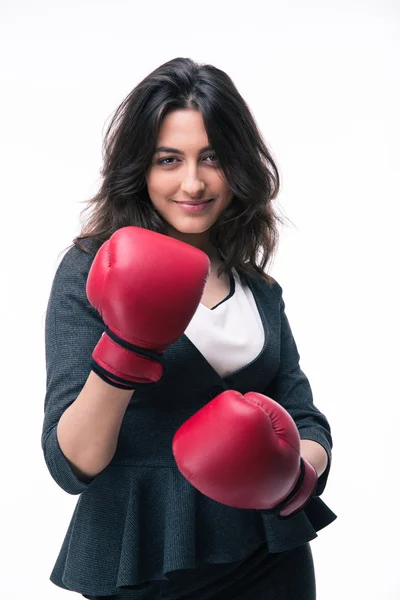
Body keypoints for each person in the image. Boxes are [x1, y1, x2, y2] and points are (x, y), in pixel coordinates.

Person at [41, 57, 337, 600]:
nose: (193, 182)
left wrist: (289, 471)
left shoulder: (260, 291)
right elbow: (70, 463)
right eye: (168, 159)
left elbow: (306, 420)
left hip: (269, 558)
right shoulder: (90, 270)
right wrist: (127, 346)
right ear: (140, 168)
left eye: (213, 159)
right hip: (143, 559)